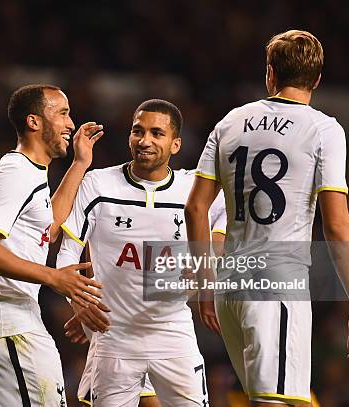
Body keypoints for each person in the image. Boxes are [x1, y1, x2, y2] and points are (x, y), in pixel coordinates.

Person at [185, 29, 349, 407]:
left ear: (270, 73)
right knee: (274, 403)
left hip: (229, 289)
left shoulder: (230, 122)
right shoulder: (324, 129)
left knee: (270, 398)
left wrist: (206, 284)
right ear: (317, 80)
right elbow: (336, 224)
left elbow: (196, 207)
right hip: (276, 285)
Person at [57, 99, 225, 407]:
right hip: (114, 335)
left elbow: (229, 222)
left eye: (157, 134)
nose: (144, 140)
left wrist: (207, 260)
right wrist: (79, 302)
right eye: (138, 131)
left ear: (176, 145)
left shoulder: (193, 190)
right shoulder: (98, 185)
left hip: (173, 331)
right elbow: (67, 255)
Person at [0, 84, 107, 406]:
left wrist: (79, 164)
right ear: (35, 122)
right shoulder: (15, 173)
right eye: (62, 113)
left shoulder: (30, 172)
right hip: (7, 323)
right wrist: (54, 277)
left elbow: (48, 227)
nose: (71, 124)